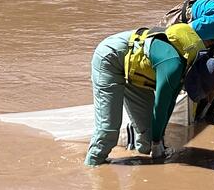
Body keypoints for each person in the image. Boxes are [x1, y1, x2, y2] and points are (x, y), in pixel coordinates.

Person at [85, 23, 205, 166]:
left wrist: (157, 139)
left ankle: (138, 160)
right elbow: (160, 107)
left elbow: (170, 103)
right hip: (110, 58)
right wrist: (157, 141)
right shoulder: (173, 67)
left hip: (135, 68)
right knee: (108, 130)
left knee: (147, 137)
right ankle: (92, 165)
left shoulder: (192, 63)